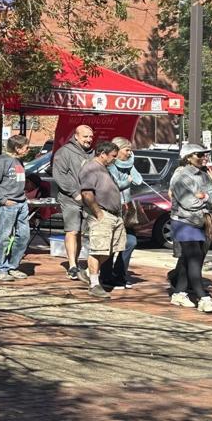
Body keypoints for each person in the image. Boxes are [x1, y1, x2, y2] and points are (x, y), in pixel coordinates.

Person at [167, 144, 212, 313]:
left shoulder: (204, 175)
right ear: (188, 157)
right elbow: (189, 203)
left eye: (205, 155)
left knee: (186, 259)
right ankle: (202, 297)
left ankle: (179, 293)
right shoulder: (181, 176)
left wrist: (203, 196)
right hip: (183, 222)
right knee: (195, 257)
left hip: (200, 221)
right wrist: (205, 198)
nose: (204, 158)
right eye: (199, 155)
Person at [77, 140, 126, 299]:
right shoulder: (91, 168)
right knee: (98, 250)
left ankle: (87, 272)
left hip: (113, 215)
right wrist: (98, 213)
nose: (114, 159)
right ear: (102, 154)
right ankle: (94, 284)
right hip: (102, 214)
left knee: (110, 249)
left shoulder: (104, 169)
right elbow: (87, 193)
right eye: (113, 156)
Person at [0, 134, 34, 281]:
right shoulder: (1, 162)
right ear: (17, 148)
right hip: (7, 205)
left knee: (24, 235)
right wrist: (3, 200)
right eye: (26, 147)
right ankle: (0, 269)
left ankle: (12, 266)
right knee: (4, 236)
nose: (28, 150)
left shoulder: (18, 161)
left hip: (21, 203)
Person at [50, 124, 94, 280]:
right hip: (70, 199)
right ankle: (72, 266)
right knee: (72, 231)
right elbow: (59, 175)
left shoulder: (93, 153)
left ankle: (78, 262)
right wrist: (75, 193)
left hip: (89, 200)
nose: (88, 139)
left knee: (81, 233)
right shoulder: (64, 152)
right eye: (85, 136)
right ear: (76, 136)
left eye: (90, 136)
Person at [107, 137, 142, 289]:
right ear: (117, 149)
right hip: (114, 209)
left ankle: (119, 274)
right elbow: (115, 186)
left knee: (131, 241)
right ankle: (107, 276)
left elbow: (138, 180)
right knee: (112, 244)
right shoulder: (110, 165)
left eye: (130, 150)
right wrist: (127, 181)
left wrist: (131, 164)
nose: (129, 153)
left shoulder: (128, 164)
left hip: (126, 210)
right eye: (127, 150)